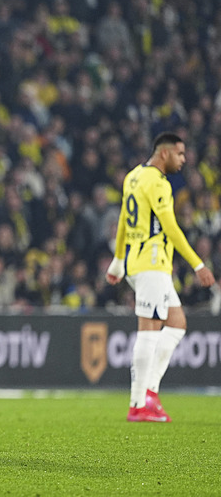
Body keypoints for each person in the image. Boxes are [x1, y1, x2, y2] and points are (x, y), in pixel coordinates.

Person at [105, 132, 216, 423]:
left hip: (139, 262)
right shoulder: (158, 183)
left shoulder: (133, 177)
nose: (184, 159)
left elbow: (123, 221)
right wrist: (198, 264)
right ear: (164, 153)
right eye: (180, 154)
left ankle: (150, 391)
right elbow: (171, 227)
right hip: (151, 263)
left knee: (177, 324)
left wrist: (118, 261)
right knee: (148, 331)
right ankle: (137, 403)